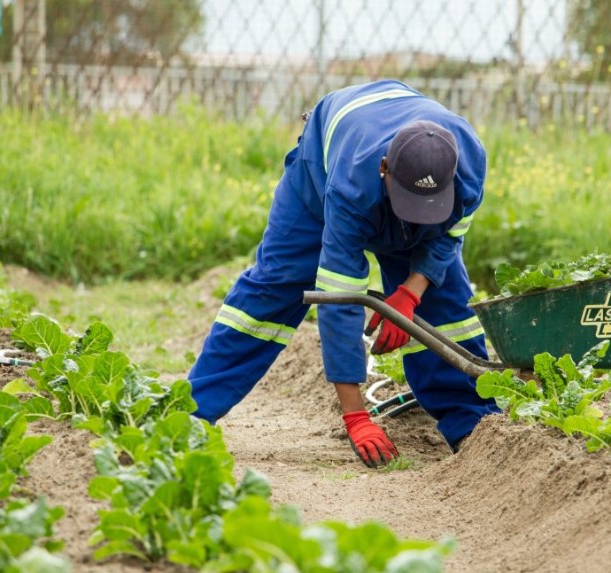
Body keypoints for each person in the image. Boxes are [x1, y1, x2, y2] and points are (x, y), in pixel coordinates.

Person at [189, 79, 499, 468]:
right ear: (384, 169)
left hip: (401, 162)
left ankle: (472, 423)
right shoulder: (352, 186)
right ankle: (192, 413)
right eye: (408, 205)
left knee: (443, 304)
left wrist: (411, 293)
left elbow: (447, 237)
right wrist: (355, 414)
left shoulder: (468, 165)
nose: (415, 218)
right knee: (275, 287)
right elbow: (340, 301)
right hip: (321, 171)